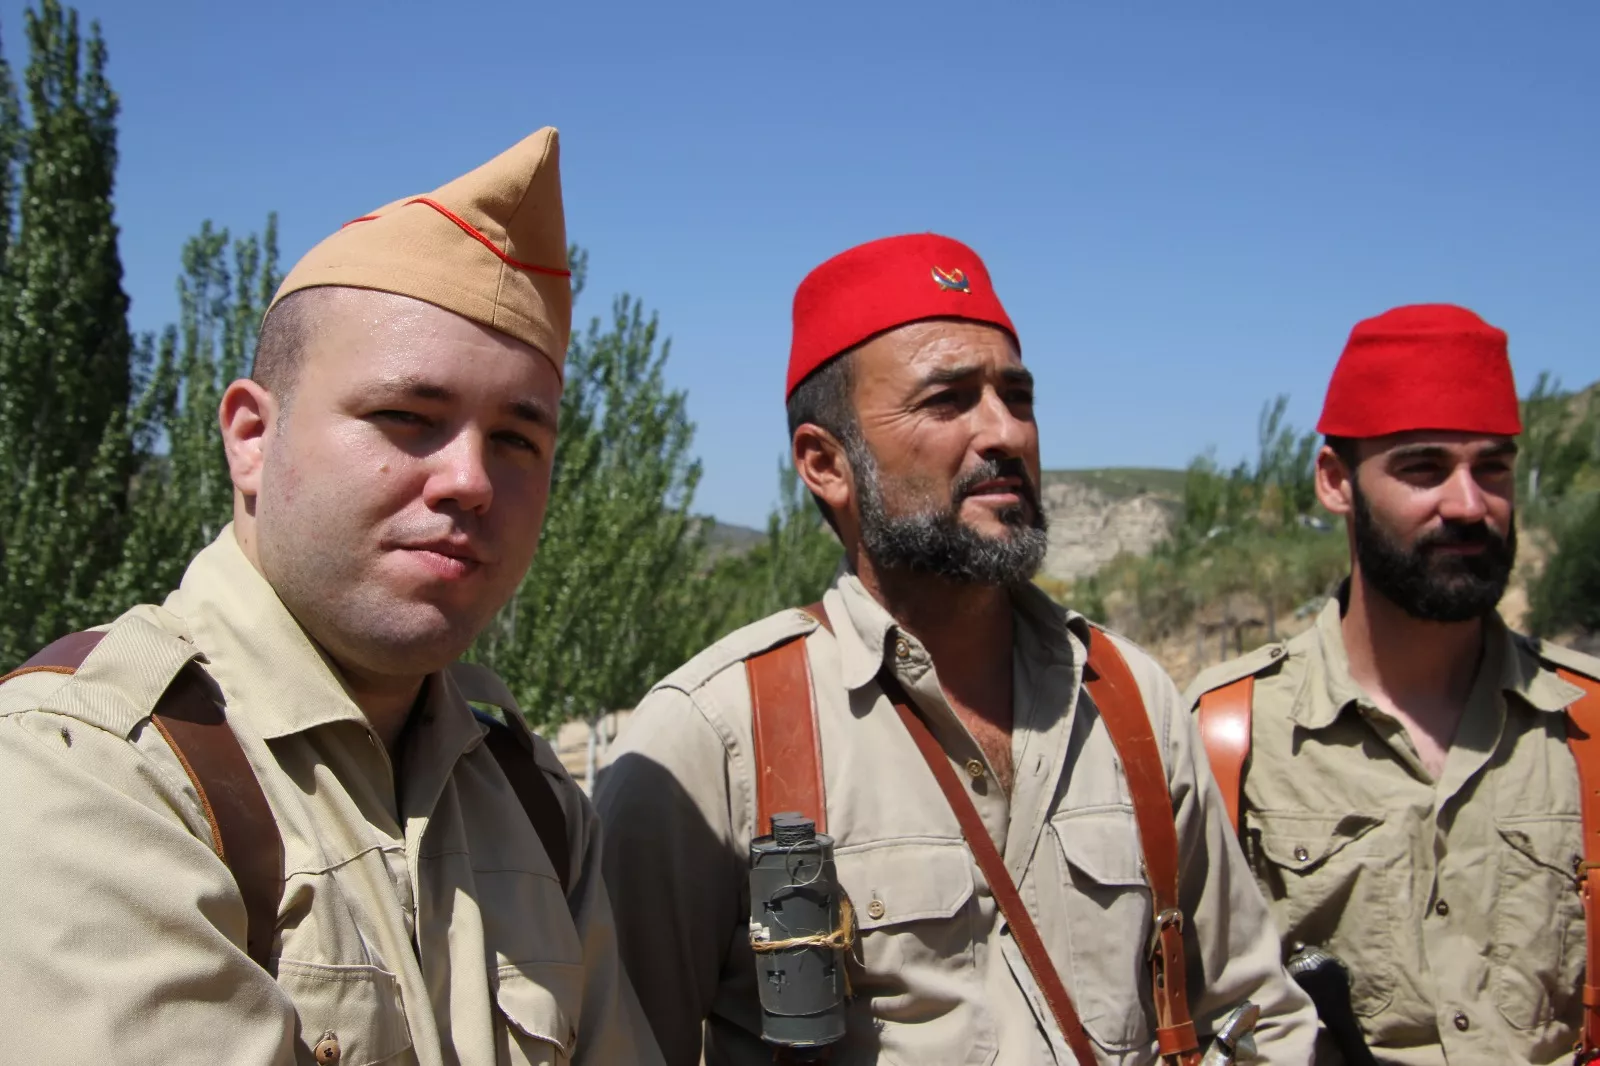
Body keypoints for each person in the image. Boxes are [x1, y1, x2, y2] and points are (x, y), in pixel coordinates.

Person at [0, 128, 662, 1065]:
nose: (469, 480)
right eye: (407, 417)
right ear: (250, 438)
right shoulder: (91, 769)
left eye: (518, 439)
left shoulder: (535, 802)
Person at [593, 233, 1318, 1066]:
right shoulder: (713, 737)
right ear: (826, 464)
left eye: (1018, 397)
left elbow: (1256, 1014)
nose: (1004, 432)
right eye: (948, 401)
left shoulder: (1129, 700)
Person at [1185, 304, 1600, 1064]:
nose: (1469, 506)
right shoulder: (1225, 737)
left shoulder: (1590, 727)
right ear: (1336, 481)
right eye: (1423, 468)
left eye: (1493, 468)